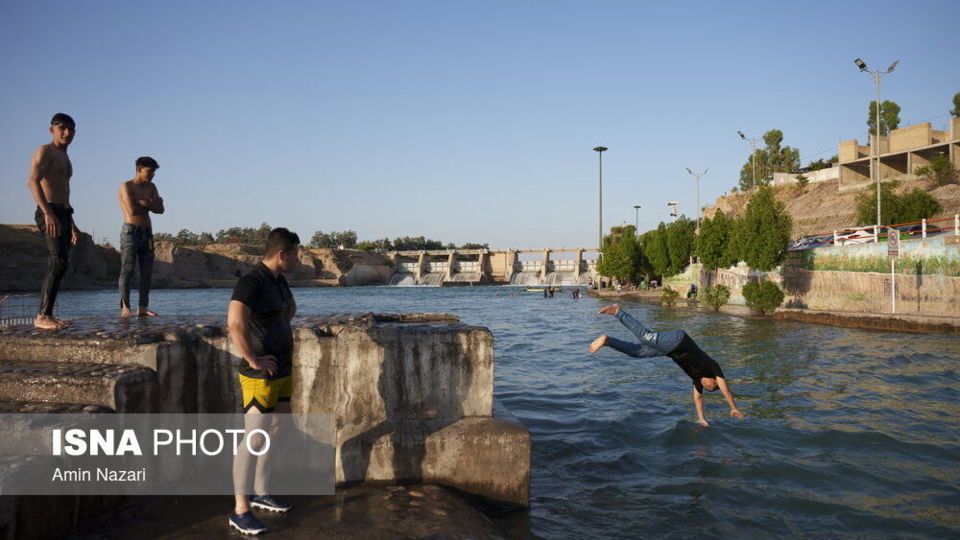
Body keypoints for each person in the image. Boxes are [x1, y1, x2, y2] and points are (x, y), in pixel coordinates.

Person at [227, 228, 300, 535]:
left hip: (282, 370)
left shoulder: (279, 282)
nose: (298, 259)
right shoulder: (251, 282)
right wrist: (255, 359)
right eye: (296, 254)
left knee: (276, 430)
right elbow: (234, 322)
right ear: (282, 254)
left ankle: (262, 492)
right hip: (259, 374)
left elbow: (289, 312)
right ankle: (240, 509)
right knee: (254, 438)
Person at [589, 304, 744, 427]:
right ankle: (618, 311)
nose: (706, 387)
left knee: (636, 352)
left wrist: (701, 419)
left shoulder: (697, 379)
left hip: (668, 351)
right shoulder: (712, 367)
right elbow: (726, 390)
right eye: (710, 386)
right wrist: (733, 407)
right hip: (678, 340)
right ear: (714, 380)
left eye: (707, 388)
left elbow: (698, 398)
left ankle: (608, 341)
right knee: (645, 337)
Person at [27, 113, 81, 330]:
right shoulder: (45, 151)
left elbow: (64, 193)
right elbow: (32, 181)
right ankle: (42, 316)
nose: (66, 133)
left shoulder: (65, 157)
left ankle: (47, 314)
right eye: (62, 128)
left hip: (64, 212)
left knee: (63, 263)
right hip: (49, 211)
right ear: (52, 130)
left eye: (70, 129)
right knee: (57, 262)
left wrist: (73, 224)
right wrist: (47, 212)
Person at [117, 156, 164, 317]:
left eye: (154, 172)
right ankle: (125, 307)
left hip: (147, 232)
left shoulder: (151, 186)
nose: (152, 175)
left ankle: (143, 307)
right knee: (128, 270)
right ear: (138, 169)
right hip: (130, 231)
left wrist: (143, 203)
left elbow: (161, 209)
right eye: (149, 171)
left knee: (147, 272)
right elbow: (131, 210)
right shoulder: (126, 186)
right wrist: (150, 204)